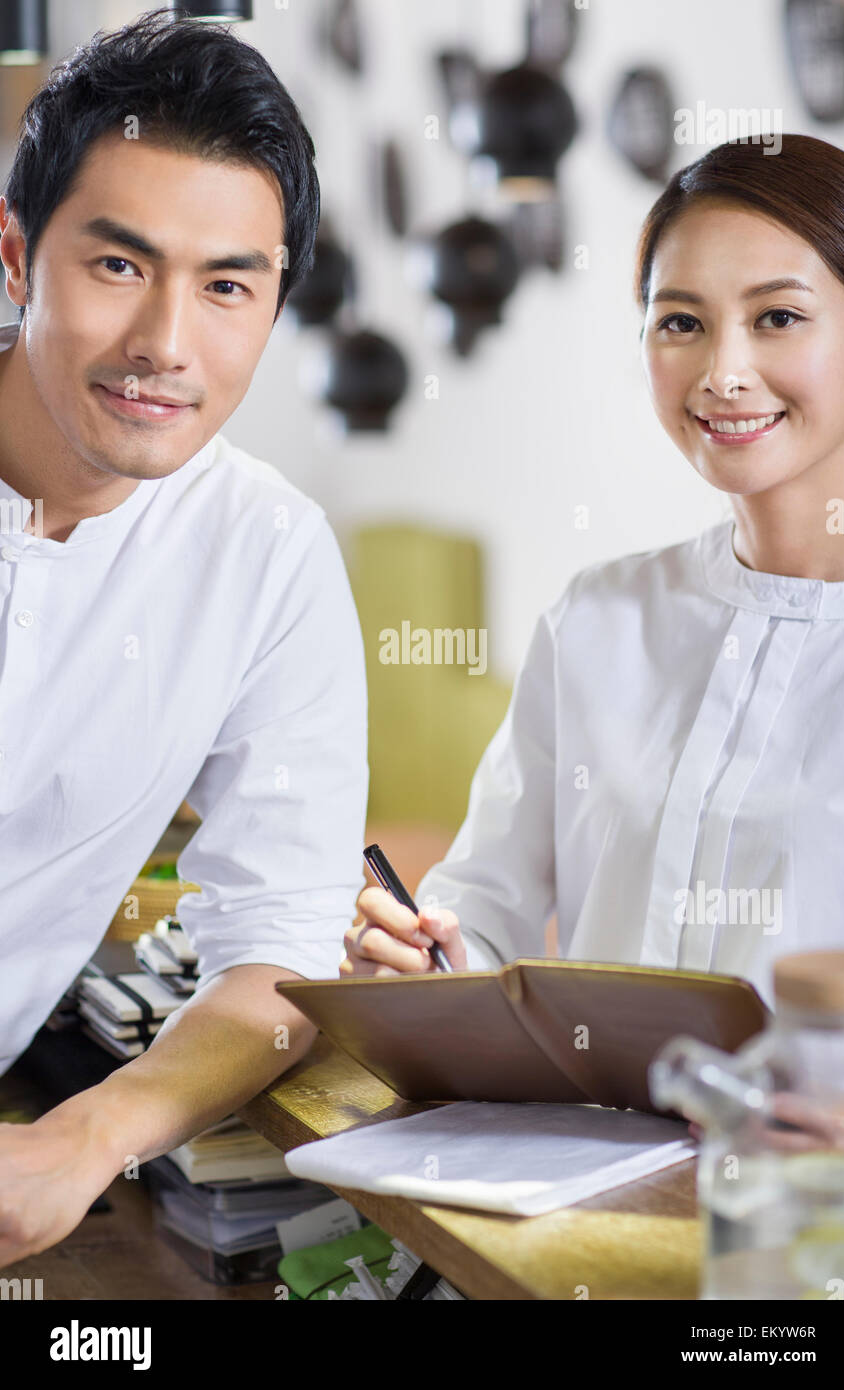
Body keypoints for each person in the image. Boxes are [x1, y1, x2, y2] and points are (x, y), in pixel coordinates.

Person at [0, 12, 367, 1265]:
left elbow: (282, 946)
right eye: (117, 266)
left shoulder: (267, 555)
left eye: (226, 285)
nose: (166, 343)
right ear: (15, 255)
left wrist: (95, 1131)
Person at [347, 133, 844, 1014]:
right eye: (681, 322)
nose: (724, 373)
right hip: (584, 1145)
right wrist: (419, 955)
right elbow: (486, 907)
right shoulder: (597, 619)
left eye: (777, 317)